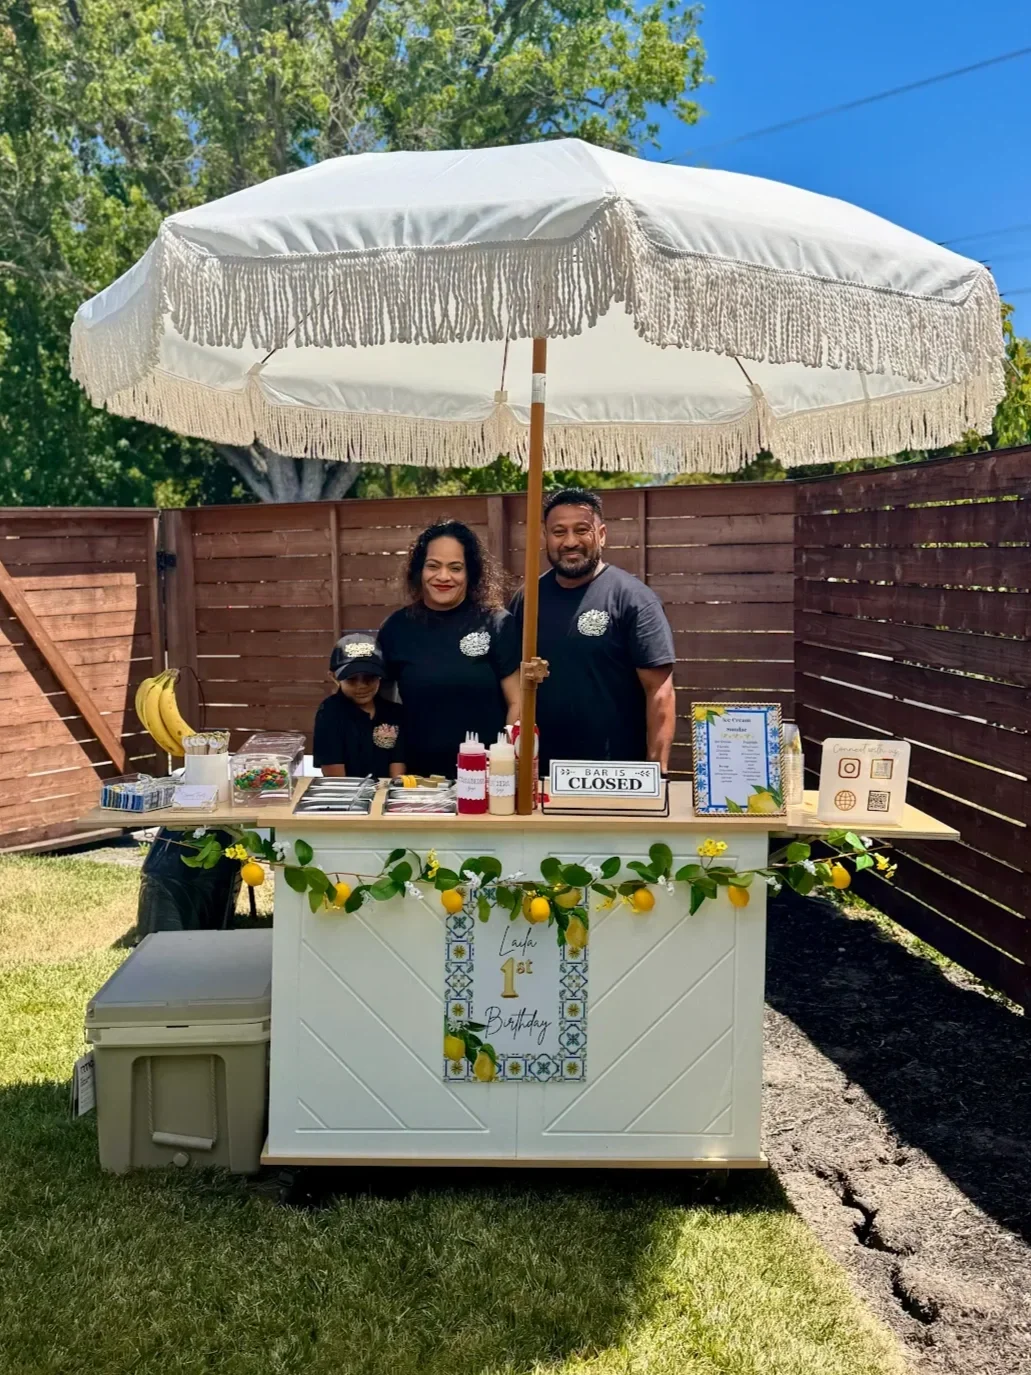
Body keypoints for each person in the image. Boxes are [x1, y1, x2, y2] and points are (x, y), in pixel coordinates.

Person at [510, 487, 676, 772]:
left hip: (615, 776)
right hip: (542, 776)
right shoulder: (528, 599)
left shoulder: (633, 598)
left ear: (601, 534)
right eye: (559, 532)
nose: (570, 541)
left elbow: (660, 692)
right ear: (545, 537)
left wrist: (656, 774)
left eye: (582, 530)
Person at [378, 521, 522, 778]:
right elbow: (383, 709)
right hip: (416, 781)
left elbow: (517, 702)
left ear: (471, 573)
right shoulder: (396, 628)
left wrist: (504, 765)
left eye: (455, 568)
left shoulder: (497, 623)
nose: (443, 577)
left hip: (485, 777)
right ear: (418, 570)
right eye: (433, 566)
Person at [313, 632, 406, 778]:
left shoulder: (394, 712)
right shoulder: (329, 713)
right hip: (348, 796)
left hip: (386, 795)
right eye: (351, 679)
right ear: (334, 677)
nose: (361, 686)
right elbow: (335, 778)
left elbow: (398, 771)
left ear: (381, 675)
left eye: (369, 678)